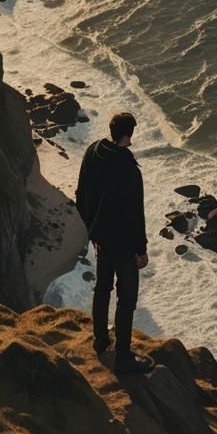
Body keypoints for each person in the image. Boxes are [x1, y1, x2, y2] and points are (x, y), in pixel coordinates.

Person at [75, 111, 153, 373]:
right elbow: (135, 214)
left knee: (102, 287)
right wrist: (141, 250)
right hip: (122, 243)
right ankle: (123, 357)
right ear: (129, 133)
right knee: (127, 297)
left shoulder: (93, 152)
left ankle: (100, 338)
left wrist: (90, 230)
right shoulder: (128, 169)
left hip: (100, 237)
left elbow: (81, 191)